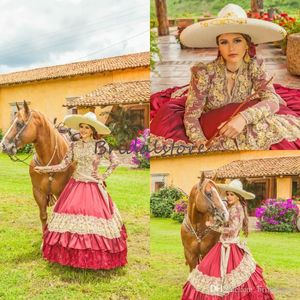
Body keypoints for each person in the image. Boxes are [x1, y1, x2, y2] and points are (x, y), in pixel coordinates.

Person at [150, 3, 300, 151]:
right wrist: (201, 144)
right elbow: (191, 117)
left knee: (275, 129)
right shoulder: (203, 73)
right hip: (212, 125)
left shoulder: (255, 67)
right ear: (219, 46)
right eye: (224, 42)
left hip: (243, 118)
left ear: (247, 44)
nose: (231, 48)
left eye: (237, 40)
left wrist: (243, 118)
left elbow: (272, 100)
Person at [34, 112, 127, 270]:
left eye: (86, 127)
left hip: (92, 186)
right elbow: (63, 165)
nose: (83, 130)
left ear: (92, 130)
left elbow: (115, 161)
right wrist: (44, 169)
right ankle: (72, 256)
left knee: (93, 221)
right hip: (75, 185)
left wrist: (102, 176)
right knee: (70, 216)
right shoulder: (74, 145)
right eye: (81, 127)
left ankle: (94, 257)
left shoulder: (100, 144)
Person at [182, 179, 274, 299]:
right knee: (211, 271)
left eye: (232, 195)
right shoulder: (231, 207)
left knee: (230, 275)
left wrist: (214, 227)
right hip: (222, 245)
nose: (229, 197)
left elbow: (232, 230)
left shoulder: (238, 208)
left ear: (238, 197)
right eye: (228, 194)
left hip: (231, 247)